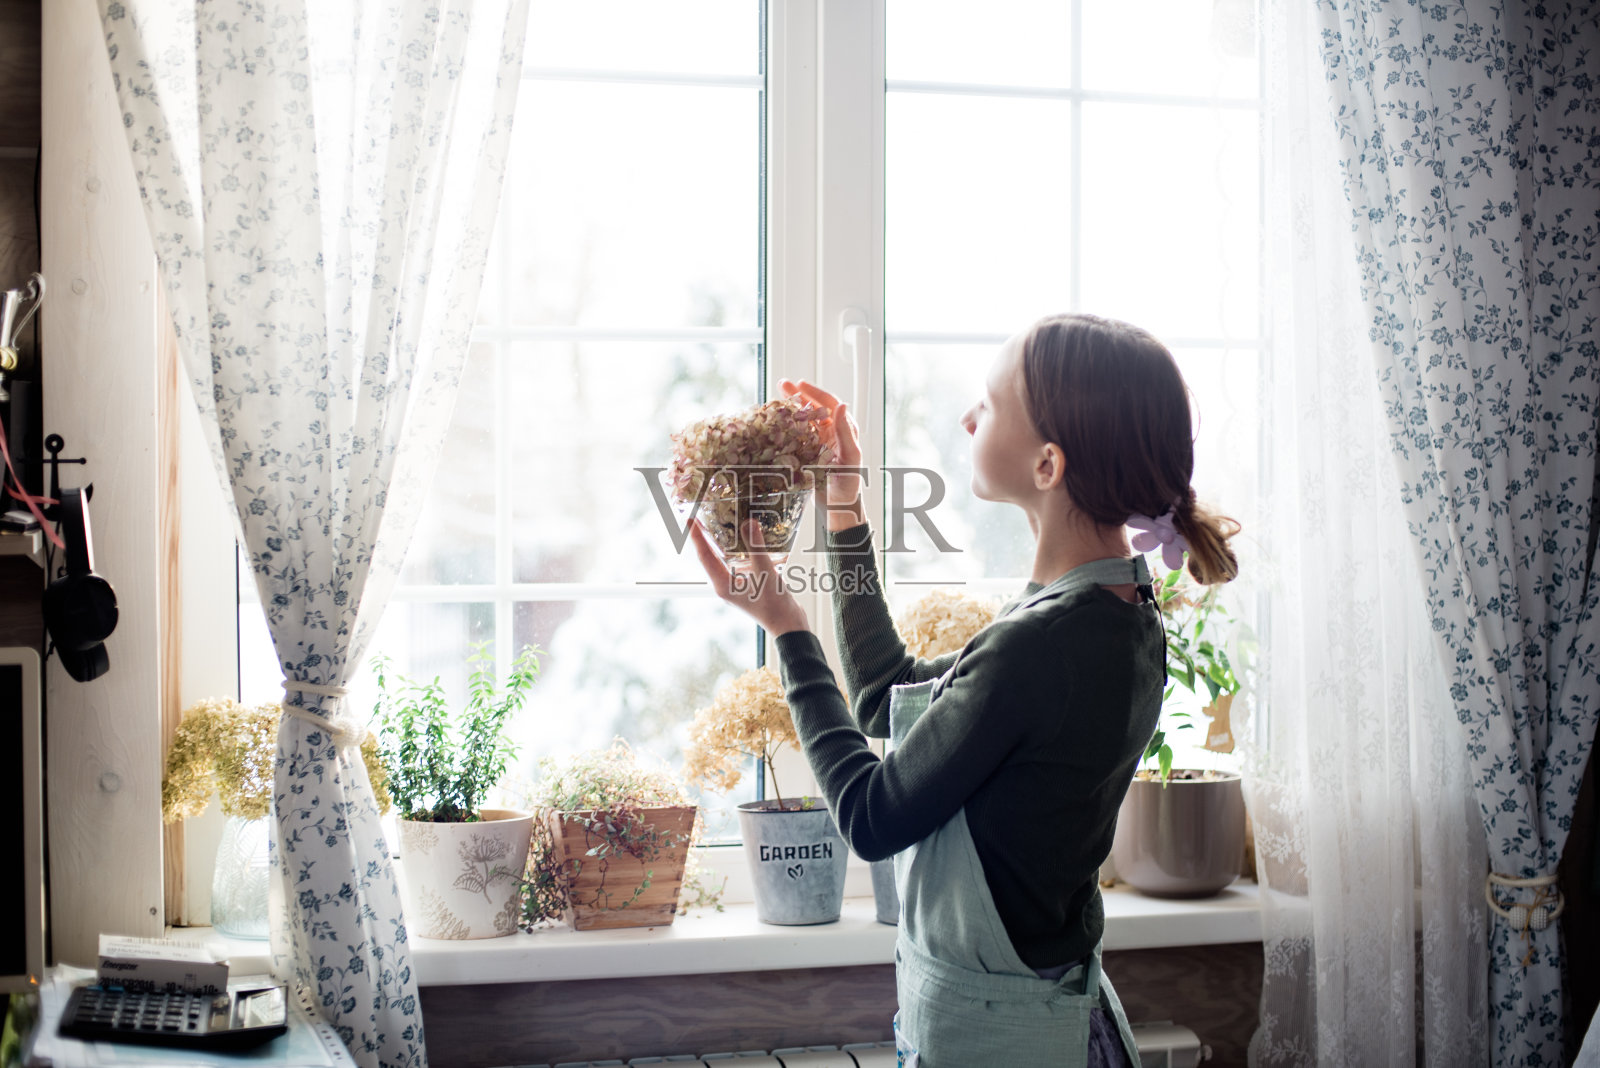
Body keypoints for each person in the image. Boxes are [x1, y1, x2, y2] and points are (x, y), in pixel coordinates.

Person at [687, 312, 1240, 1068]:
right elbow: (887, 695)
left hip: (1007, 1039)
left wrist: (787, 627)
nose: (968, 417)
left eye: (990, 401)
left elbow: (871, 818)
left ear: (1047, 465)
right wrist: (844, 508)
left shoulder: (1043, 646)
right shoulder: (1113, 612)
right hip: (1043, 1015)